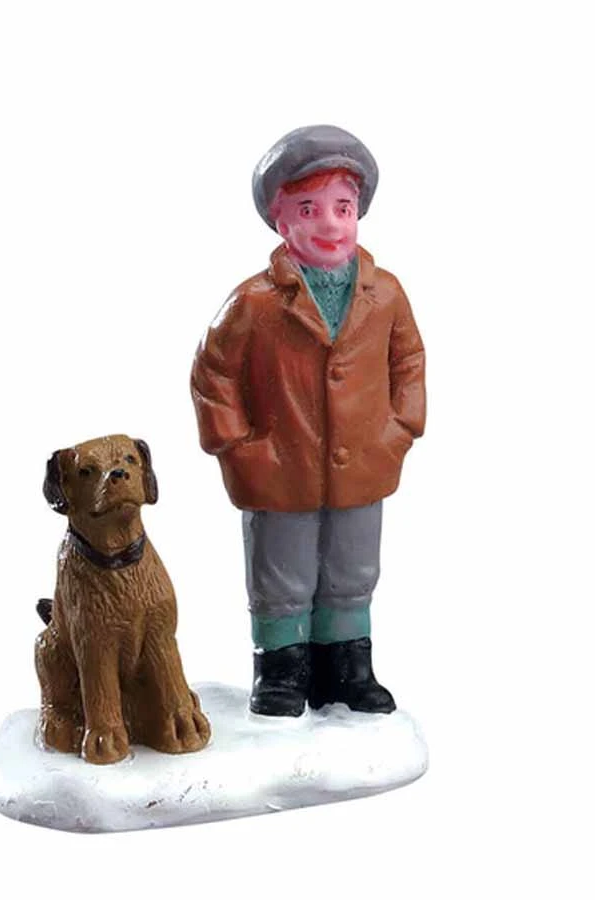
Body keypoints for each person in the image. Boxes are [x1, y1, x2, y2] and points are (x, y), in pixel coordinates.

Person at [191, 124, 426, 717]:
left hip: (364, 461)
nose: (329, 224)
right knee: (282, 572)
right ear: (280, 219)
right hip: (279, 467)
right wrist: (239, 448)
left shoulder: (386, 294)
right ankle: (282, 670)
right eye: (308, 209)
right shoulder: (255, 302)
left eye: (342, 208)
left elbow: (408, 361)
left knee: (352, 568)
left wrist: (400, 428)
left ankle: (347, 667)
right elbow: (213, 373)